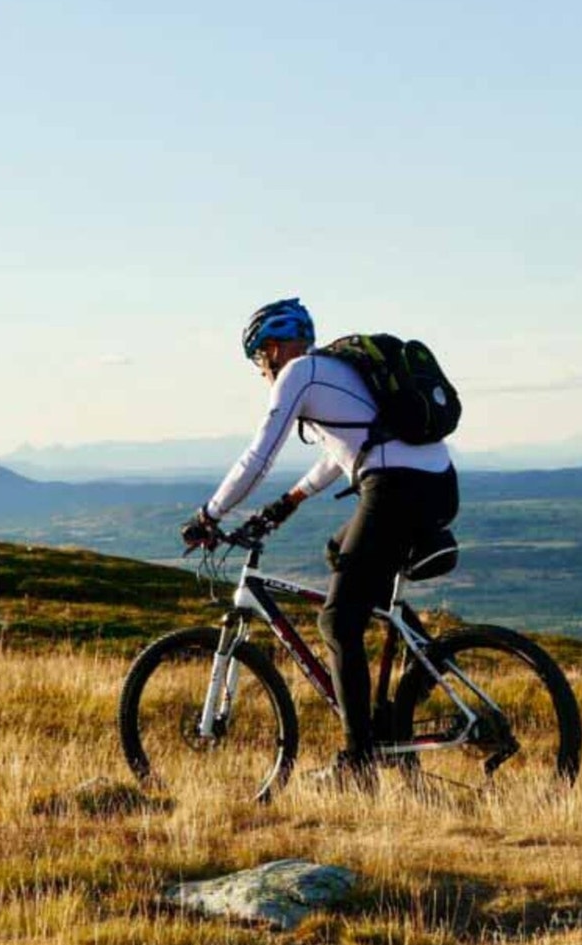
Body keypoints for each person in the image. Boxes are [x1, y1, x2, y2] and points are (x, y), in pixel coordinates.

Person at [182, 297, 459, 793]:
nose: (261, 371)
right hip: (435, 484)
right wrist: (291, 500)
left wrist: (210, 514)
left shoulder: (298, 374)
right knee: (340, 553)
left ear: (271, 350)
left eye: (259, 359)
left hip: (395, 488)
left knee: (337, 621)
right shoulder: (335, 370)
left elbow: (258, 457)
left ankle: (358, 761)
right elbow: (344, 451)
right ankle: (421, 662)